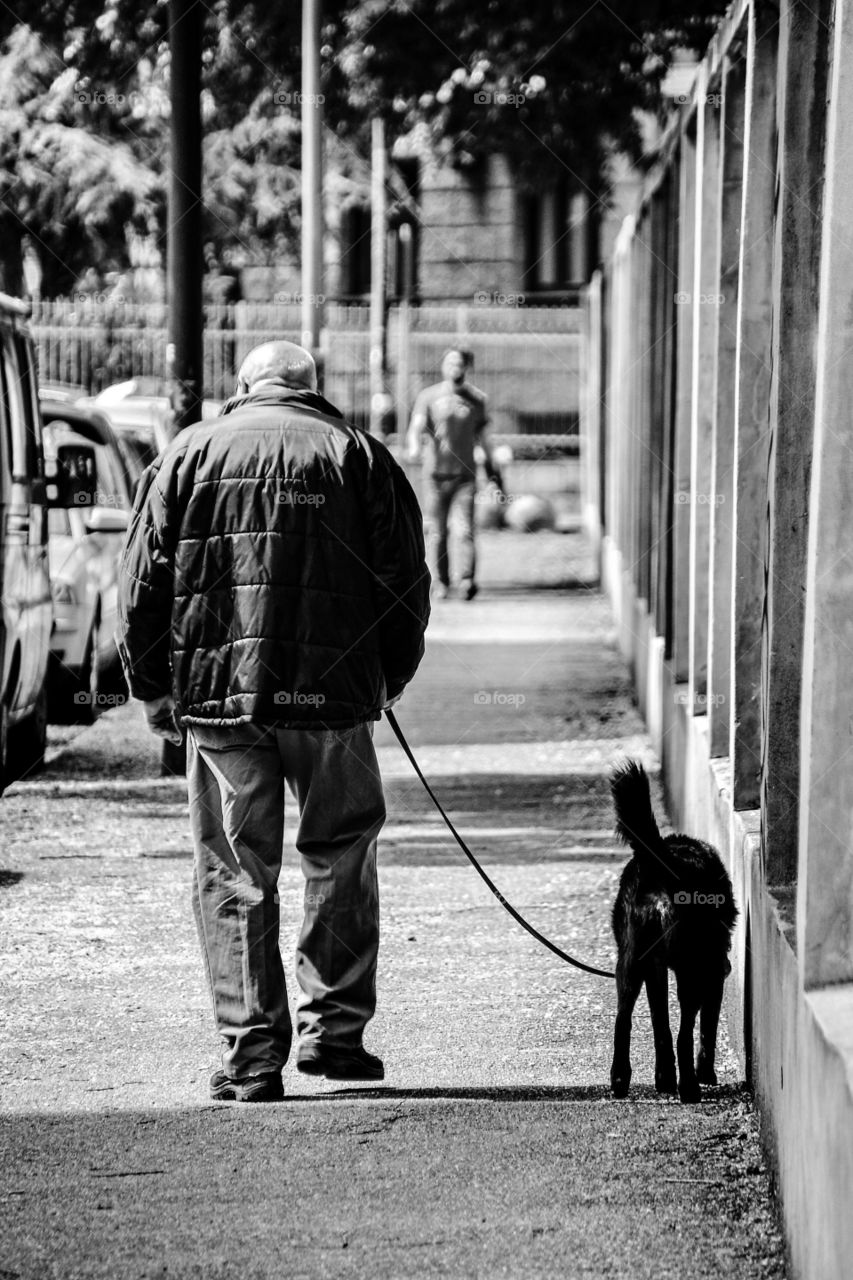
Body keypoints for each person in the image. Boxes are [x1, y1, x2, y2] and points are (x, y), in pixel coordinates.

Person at [117, 341, 430, 1102]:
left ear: (244, 386)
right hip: (333, 701)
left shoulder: (186, 454)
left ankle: (252, 1056)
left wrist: (152, 688)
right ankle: (335, 1036)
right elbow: (405, 584)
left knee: (234, 871)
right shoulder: (357, 455)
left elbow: (141, 583)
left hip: (221, 697)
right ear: (311, 389)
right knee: (341, 853)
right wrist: (385, 677)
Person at [406, 346, 501, 600]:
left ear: (466, 368)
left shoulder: (476, 400)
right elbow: (416, 427)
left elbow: (484, 438)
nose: (455, 368)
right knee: (437, 530)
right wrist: (414, 447)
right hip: (435, 476)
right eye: (450, 363)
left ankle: (467, 580)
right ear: (443, 366)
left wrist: (493, 469)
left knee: (465, 530)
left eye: (459, 364)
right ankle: (440, 582)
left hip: (465, 477)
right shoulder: (429, 396)